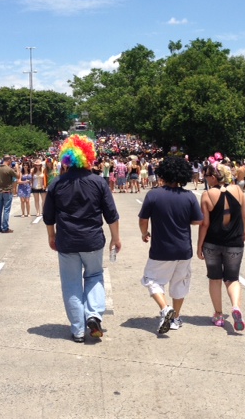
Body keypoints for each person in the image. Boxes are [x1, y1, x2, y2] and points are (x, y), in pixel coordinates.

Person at [43, 135, 121, 343]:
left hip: (67, 241)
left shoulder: (56, 184)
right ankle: (94, 315)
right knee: (95, 276)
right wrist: (116, 238)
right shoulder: (98, 182)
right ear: (89, 156)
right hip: (93, 240)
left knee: (71, 283)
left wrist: (52, 236)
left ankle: (77, 329)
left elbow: (48, 216)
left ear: (66, 157)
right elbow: (111, 214)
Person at [138, 155, 203, 334]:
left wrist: (145, 233)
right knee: (179, 284)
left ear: (163, 173)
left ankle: (165, 309)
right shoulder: (189, 196)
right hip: (183, 248)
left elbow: (143, 219)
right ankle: (175, 319)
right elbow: (198, 221)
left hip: (161, 248)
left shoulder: (153, 195)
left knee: (151, 279)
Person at [197, 164, 245, 331]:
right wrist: (244, 232)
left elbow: (204, 224)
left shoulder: (207, 195)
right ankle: (236, 307)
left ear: (213, 177)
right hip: (234, 242)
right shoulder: (238, 191)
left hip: (212, 243)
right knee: (232, 279)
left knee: (215, 279)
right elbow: (244, 215)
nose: (205, 178)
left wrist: (199, 245)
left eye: (207, 176)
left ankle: (218, 314)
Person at [0, 155, 18, 233]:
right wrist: (18, 168)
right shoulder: (9, 169)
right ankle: (5, 228)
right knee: (6, 210)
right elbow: (18, 176)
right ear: (9, 160)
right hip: (7, 191)